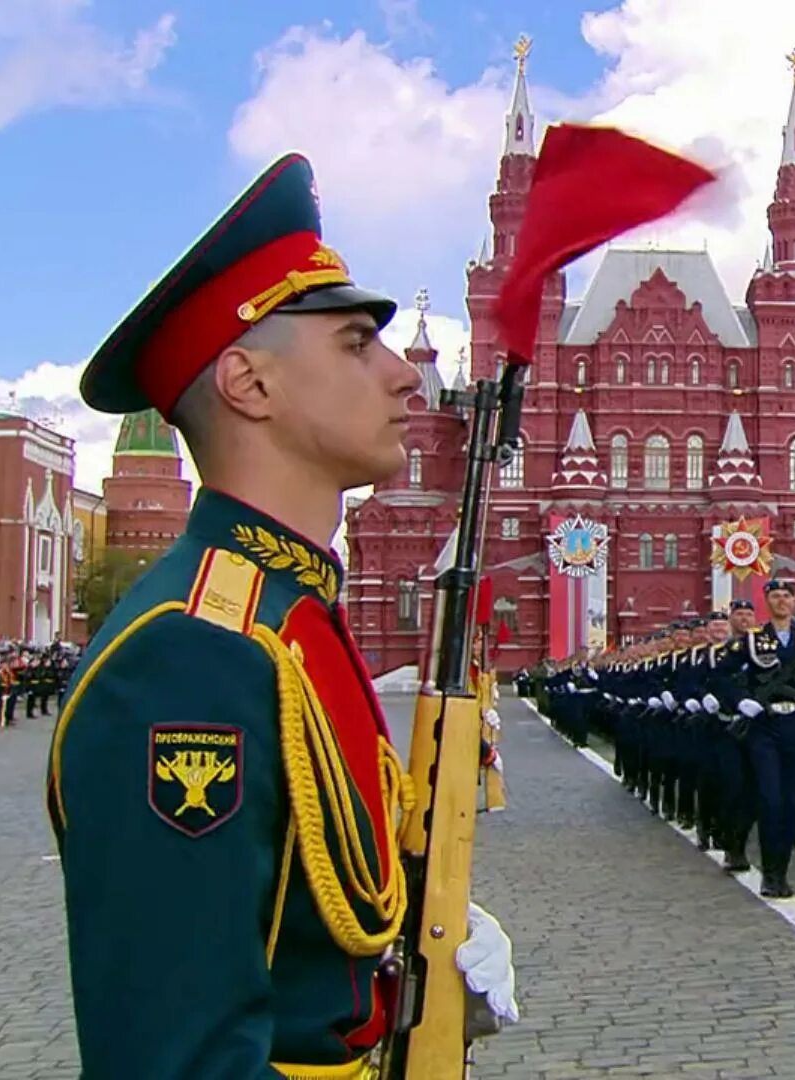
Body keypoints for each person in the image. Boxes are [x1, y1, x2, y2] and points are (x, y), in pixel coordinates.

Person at [45, 153, 517, 1079]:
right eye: (353, 344)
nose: (405, 376)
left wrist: (396, 956)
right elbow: (178, 1058)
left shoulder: (287, 612)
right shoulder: (193, 654)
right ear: (248, 385)